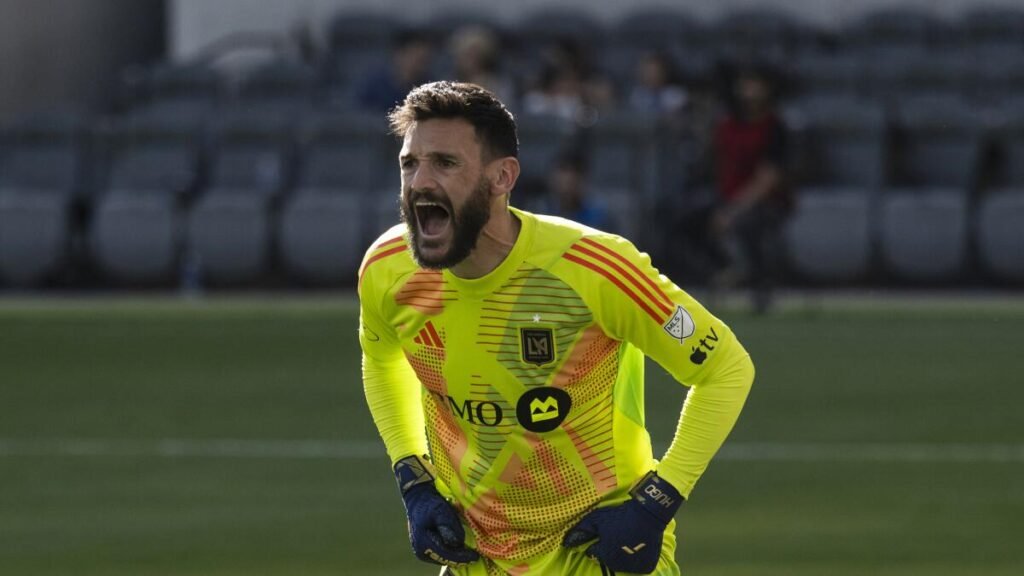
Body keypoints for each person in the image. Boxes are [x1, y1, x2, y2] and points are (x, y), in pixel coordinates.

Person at [358, 81, 754, 575]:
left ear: (502, 177)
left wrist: (655, 505)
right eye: (409, 163)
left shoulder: (593, 267)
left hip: (598, 556)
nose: (419, 182)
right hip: (477, 559)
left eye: (445, 163)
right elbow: (381, 360)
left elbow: (725, 368)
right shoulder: (387, 270)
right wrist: (413, 479)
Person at [356, 30, 435, 113]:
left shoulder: (429, 86)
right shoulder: (374, 84)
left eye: (424, 60)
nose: (420, 65)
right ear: (400, 54)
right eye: (416, 58)